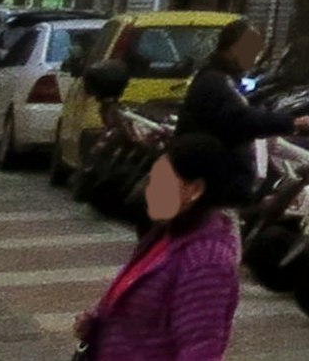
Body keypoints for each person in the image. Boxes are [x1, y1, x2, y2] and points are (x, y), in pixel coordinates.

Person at [78, 129, 240, 361]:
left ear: (194, 190)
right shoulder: (166, 236)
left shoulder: (206, 262)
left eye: (160, 181)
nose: (149, 190)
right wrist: (98, 321)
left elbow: (199, 349)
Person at [174, 21, 270, 205]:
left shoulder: (224, 77)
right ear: (233, 48)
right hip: (212, 188)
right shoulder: (217, 81)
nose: (255, 58)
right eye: (252, 51)